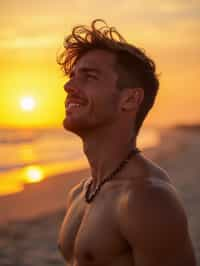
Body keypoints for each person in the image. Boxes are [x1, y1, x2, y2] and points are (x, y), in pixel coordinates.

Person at [57, 19, 196, 266]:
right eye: (72, 76)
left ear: (130, 99)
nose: (69, 86)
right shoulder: (80, 192)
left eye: (89, 76)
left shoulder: (148, 199)